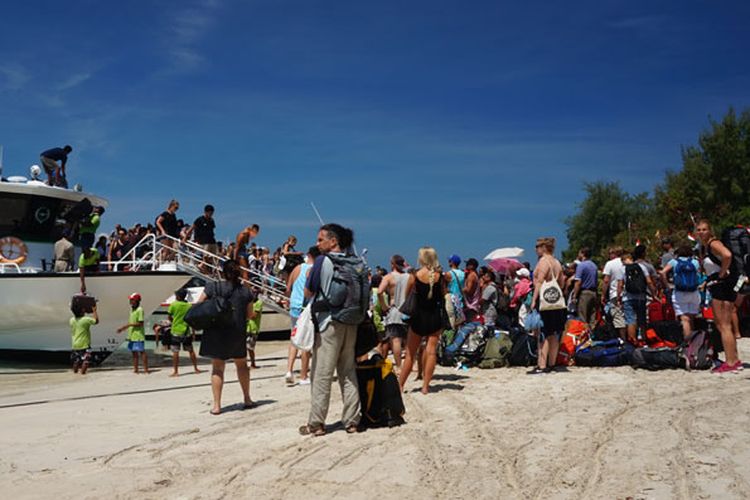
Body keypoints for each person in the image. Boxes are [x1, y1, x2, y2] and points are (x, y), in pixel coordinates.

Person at [300, 223, 362, 436]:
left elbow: (309, 292)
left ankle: (316, 423)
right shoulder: (356, 262)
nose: (317, 244)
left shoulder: (322, 261)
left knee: (322, 373)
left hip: (329, 323)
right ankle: (352, 421)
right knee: (348, 372)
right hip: (351, 321)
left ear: (333, 241)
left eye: (320, 239)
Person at [198, 259, 255, 414]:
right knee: (242, 365)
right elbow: (250, 315)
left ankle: (217, 406)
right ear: (239, 273)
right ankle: (247, 398)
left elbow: (199, 304)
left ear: (223, 272)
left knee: (217, 368)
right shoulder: (246, 291)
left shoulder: (213, 287)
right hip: (237, 332)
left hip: (216, 331)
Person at [398, 247, 446, 394]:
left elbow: (407, 297)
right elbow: (443, 296)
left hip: (419, 316)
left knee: (410, 353)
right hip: (434, 316)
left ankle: (400, 386)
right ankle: (425, 386)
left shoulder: (415, 275)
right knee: (431, 351)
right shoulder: (440, 276)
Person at [696, 220, 743, 373]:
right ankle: (734, 358)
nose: (701, 232)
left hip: (721, 286)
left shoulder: (713, 244)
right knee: (725, 324)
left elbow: (727, 255)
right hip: (722, 285)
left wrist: (722, 273)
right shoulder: (707, 246)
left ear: (710, 230)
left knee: (723, 325)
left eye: (704, 229)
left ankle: (730, 362)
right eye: (699, 229)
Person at [530, 237, 567, 374]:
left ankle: (541, 365)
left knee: (543, 333)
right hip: (556, 301)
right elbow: (562, 283)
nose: (535, 249)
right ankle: (552, 363)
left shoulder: (543, 262)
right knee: (553, 333)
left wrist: (533, 300)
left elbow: (539, 282)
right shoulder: (557, 262)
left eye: (537, 246)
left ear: (544, 247)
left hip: (544, 301)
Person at [285, 246, 318, 385]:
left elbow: (288, 288)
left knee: (294, 337)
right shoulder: (313, 270)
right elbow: (310, 291)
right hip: (304, 308)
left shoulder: (297, 268)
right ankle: (303, 376)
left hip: (294, 306)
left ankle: (289, 370)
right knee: (306, 340)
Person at [617, 247, 657, 343]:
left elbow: (620, 285)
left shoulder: (623, 269)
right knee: (642, 319)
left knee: (630, 320)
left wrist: (619, 297)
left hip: (628, 297)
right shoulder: (642, 267)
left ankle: (633, 341)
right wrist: (653, 294)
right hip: (641, 297)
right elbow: (649, 282)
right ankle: (644, 340)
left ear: (623, 260)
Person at [659, 245, 701, 339]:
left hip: (679, 292)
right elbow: (699, 274)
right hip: (693, 292)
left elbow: (662, 272)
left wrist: (667, 285)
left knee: (684, 319)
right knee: (691, 318)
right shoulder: (695, 262)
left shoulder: (674, 262)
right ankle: (695, 343)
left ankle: (688, 342)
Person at [377, 254, 410, 369]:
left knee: (396, 340)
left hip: (395, 309)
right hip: (408, 310)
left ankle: (399, 365)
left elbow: (379, 292)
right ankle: (410, 364)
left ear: (392, 264)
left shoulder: (389, 277)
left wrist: (384, 306)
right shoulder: (409, 277)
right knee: (408, 341)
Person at [167, 289, 202, 377]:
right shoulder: (189, 306)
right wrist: (193, 332)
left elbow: (169, 317)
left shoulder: (173, 305)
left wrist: (174, 322)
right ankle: (196, 368)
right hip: (186, 331)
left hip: (175, 331)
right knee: (191, 350)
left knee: (175, 352)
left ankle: (176, 371)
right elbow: (191, 319)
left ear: (178, 296)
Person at [116, 293, 149, 374]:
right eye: (130, 300)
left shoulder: (140, 310)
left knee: (141, 351)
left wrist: (127, 325)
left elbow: (140, 323)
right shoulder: (131, 310)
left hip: (138, 335)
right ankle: (136, 369)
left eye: (132, 300)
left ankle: (146, 370)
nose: (130, 301)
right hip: (131, 335)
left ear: (137, 301)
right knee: (134, 352)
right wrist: (124, 328)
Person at [571, 247, 598, 330]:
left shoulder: (581, 266)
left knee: (583, 317)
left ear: (583, 254)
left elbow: (578, 282)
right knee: (592, 317)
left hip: (584, 293)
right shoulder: (594, 266)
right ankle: (592, 335)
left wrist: (575, 295)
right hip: (593, 292)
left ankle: (584, 337)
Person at [601, 246, 626, 338]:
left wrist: (603, 294)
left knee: (618, 318)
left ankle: (623, 340)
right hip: (628, 293)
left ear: (614, 254)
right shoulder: (627, 262)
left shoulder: (610, 264)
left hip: (615, 293)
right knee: (629, 317)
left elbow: (606, 280)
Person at [70, 303, 99, 375]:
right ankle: (82, 375)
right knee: (86, 361)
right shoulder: (86, 320)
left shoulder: (71, 320)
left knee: (76, 361)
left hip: (75, 344)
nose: (84, 310)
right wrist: (94, 311)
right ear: (81, 312)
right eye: (83, 309)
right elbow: (96, 321)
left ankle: (75, 374)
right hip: (85, 344)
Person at [443, 254, 466, 329]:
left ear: (452, 262)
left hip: (451, 299)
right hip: (460, 300)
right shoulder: (463, 274)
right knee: (459, 321)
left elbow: (444, 288)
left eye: (449, 261)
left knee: (451, 320)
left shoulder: (448, 274)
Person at [246, 293, 264, 369]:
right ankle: (245, 364)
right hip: (246, 327)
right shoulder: (248, 303)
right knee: (244, 348)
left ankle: (253, 363)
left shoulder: (259, 303)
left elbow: (253, 316)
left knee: (250, 348)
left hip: (253, 329)